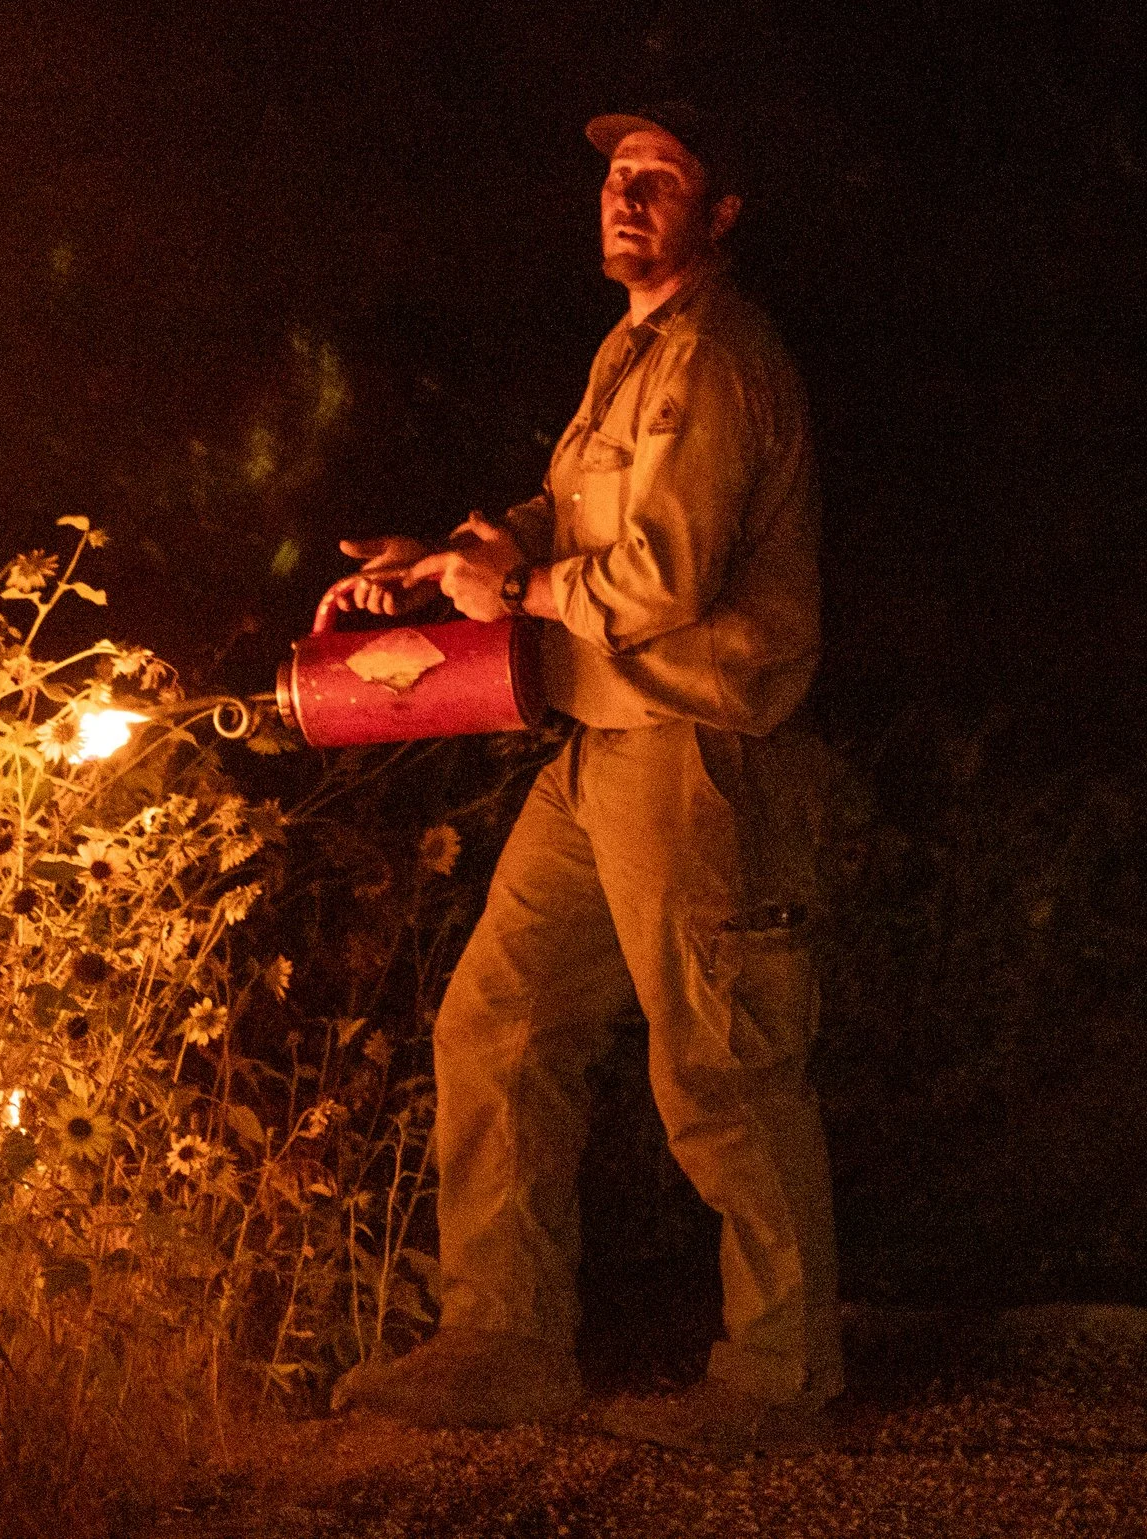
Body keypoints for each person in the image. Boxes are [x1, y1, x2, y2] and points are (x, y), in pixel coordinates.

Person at [323, 103, 840, 1454]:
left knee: (723, 1068)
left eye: (660, 179)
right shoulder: (635, 348)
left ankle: (782, 1380)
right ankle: (502, 1342)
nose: (625, 197)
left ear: (720, 215)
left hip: (691, 750)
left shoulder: (720, 357)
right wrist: (448, 558)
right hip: (597, 741)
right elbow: (569, 512)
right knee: (495, 1023)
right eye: (616, 177)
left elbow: (665, 579)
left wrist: (526, 588)